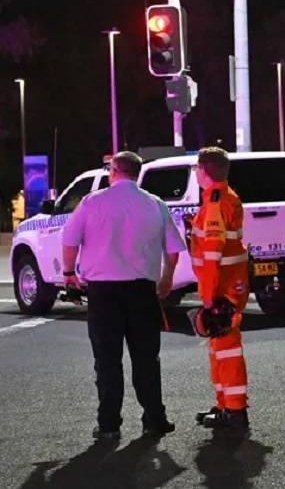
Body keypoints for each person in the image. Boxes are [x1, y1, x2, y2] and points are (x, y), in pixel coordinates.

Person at [61, 151, 186, 440]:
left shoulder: (92, 202)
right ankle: (154, 419)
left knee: (107, 359)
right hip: (142, 291)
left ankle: (109, 425)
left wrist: (68, 273)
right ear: (137, 174)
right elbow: (173, 250)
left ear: (114, 171)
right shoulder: (154, 203)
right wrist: (166, 278)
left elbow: (69, 239)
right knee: (146, 358)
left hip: (103, 293)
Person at [191, 146, 251, 431]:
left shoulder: (215, 203)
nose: (195, 173)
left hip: (221, 287)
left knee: (226, 349)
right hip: (229, 283)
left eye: (197, 168)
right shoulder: (224, 197)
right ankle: (225, 406)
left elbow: (213, 255)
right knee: (219, 347)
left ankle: (235, 411)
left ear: (204, 171)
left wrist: (208, 296)